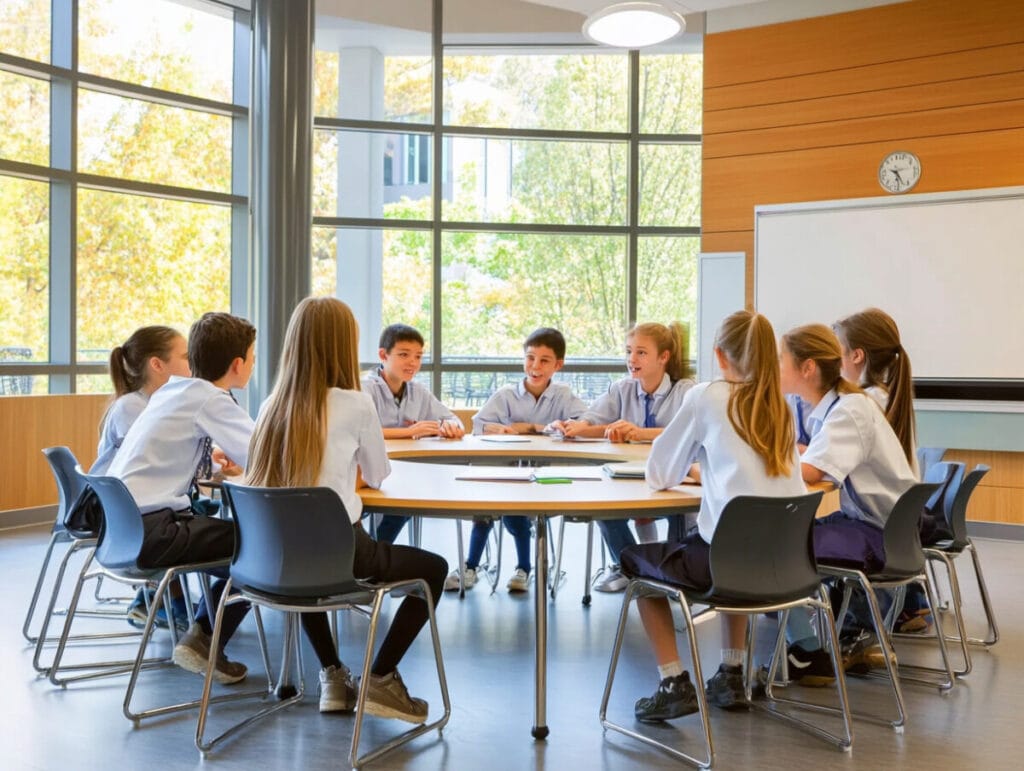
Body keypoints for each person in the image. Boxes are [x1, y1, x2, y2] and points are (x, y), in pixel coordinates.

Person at [246, 297, 447, 721]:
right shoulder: (356, 403)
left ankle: (333, 676)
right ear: (344, 345)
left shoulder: (269, 406)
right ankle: (381, 678)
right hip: (343, 554)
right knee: (434, 570)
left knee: (304, 560)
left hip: (273, 561)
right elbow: (377, 474)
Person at [621, 311, 806, 721]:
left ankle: (673, 682)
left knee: (638, 564)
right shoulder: (781, 406)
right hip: (788, 566)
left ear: (720, 356)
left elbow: (659, 472)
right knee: (735, 548)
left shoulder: (707, 396)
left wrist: (689, 469)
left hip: (729, 562)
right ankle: (731, 672)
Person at [108, 311, 257, 684]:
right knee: (262, 548)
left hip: (123, 530)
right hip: (153, 532)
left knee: (242, 543)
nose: (253, 364)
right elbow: (265, 454)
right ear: (238, 364)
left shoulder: (172, 391)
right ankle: (205, 638)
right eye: (253, 357)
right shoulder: (212, 399)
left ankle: (204, 632)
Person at [779, 323, 917, 673]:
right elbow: (813, 463)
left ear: (807, 368)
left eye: (781, 359)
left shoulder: (849, 410)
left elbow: (809, 472)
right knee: (786, 536)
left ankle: (808, 651)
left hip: (878, 533)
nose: (774, 367)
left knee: (773, 544)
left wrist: (755, 462)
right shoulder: (845, 404)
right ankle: (822, 638)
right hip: (887, 528)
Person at [549, 322, 694, 592]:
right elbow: (594, 419)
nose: (631, 359)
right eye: (628, 351)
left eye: (641, 353)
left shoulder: (685, 390)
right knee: (605, 511)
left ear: (663, 357)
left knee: (682, 510)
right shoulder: (622, 389)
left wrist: (640, 433)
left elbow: (688, 430)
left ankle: (675, 573)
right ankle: (633, 570)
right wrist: (578, 426)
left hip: (671, 481)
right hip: (629, 479)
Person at [447, 327, 587, 593]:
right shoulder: (506, 394)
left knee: (515, 515)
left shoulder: (564, 395)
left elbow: (584, 422)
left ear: (558, 364)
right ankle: (471, 566)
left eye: (544, 360)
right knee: (487, 512)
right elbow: (478, 425)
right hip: (504, 473)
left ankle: (524, 568)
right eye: (530, 357)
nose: (534, 366)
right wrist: (500, 429)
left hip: (545, 478)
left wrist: (529, 427)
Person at [835, 308, 934, 632]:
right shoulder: (884, 396)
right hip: (899, 527)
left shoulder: (864, 403)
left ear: (856, 356)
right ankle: (907, 602)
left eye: (837, 352)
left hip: (880, 528)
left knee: (804, 536)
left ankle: (856, 623)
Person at [91, 325, 192, 629]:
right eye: (186, 357)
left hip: (123, 514)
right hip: (122, 520)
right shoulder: (133, 408)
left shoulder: (147, 404)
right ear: (157, 364)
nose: (192, 364)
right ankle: (158, 601)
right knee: (183, 517)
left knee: (184, 512)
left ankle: (166, 600)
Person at [363, 323, 464, 545]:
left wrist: (450, 427)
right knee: (401, 496)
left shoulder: (418, 391)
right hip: (368, 471)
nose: (413, 362)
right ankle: (373, 552)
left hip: (407, 470)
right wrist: (408, 432)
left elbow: (453, 420)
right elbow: (359, 431)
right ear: (383, 355)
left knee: (408, 495)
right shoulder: (365, 388)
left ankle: (377, 550)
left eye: (418, 356)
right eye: (404, 355)